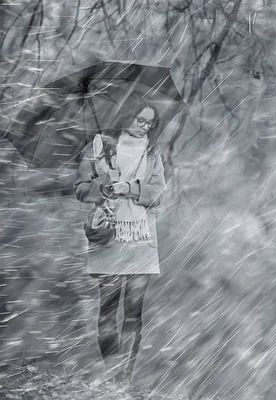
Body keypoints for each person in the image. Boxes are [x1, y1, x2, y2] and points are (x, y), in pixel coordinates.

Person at [74, 96, 166, 385]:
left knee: (134, 312)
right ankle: (113, 372)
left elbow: (159, 193)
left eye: (150, 123)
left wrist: (132, 187)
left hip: (141, 238)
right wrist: (104, 186)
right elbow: (80, 190)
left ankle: (125, 376)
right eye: (140, 120)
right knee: (108, 310)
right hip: (109, 236)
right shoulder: (99, 147)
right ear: (126, 115)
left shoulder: (152, 152)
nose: (145, 127)